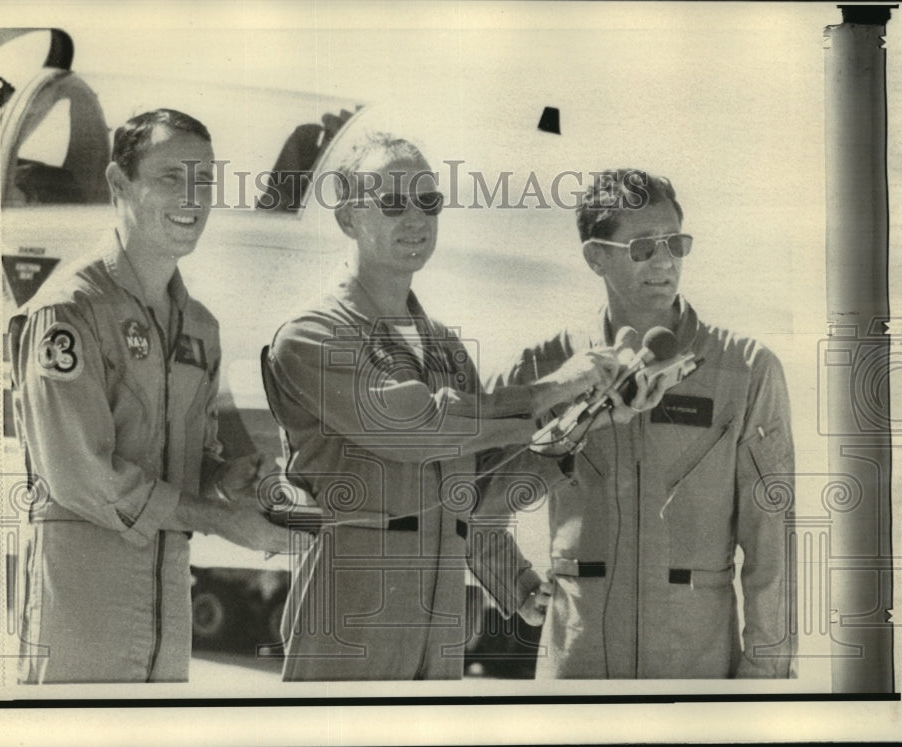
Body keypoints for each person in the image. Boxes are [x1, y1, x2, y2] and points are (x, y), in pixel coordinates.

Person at [261, 132, 634, 681]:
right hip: (346, 627)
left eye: (428, 201)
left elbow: (474, 492)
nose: (416, 219)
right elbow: (419, 427)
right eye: (393, 203)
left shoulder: (446, 350)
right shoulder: (311, 336)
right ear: (347, 218)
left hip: (439, 636)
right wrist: (553, 387)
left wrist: (590, 415)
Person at [9, 109, 288, 683]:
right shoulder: (69, 312)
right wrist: (221, 521)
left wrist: (224, 477)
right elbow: (81, 478)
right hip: (81, 623)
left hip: (167, 626)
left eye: (204, 180)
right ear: (119, 183)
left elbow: (182, 464)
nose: (193, 197)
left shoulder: (199, 328)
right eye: (170, 177)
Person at [492, 168, 797, 678]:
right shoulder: (547, 367)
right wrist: (511, 581)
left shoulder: (746, 370)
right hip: (578, 673)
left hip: (697, 675)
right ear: (596, 256)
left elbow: (773, 543)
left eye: (675, 244)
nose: (664, 261)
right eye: (643, 247)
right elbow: (462, 482)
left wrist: (763, 676)